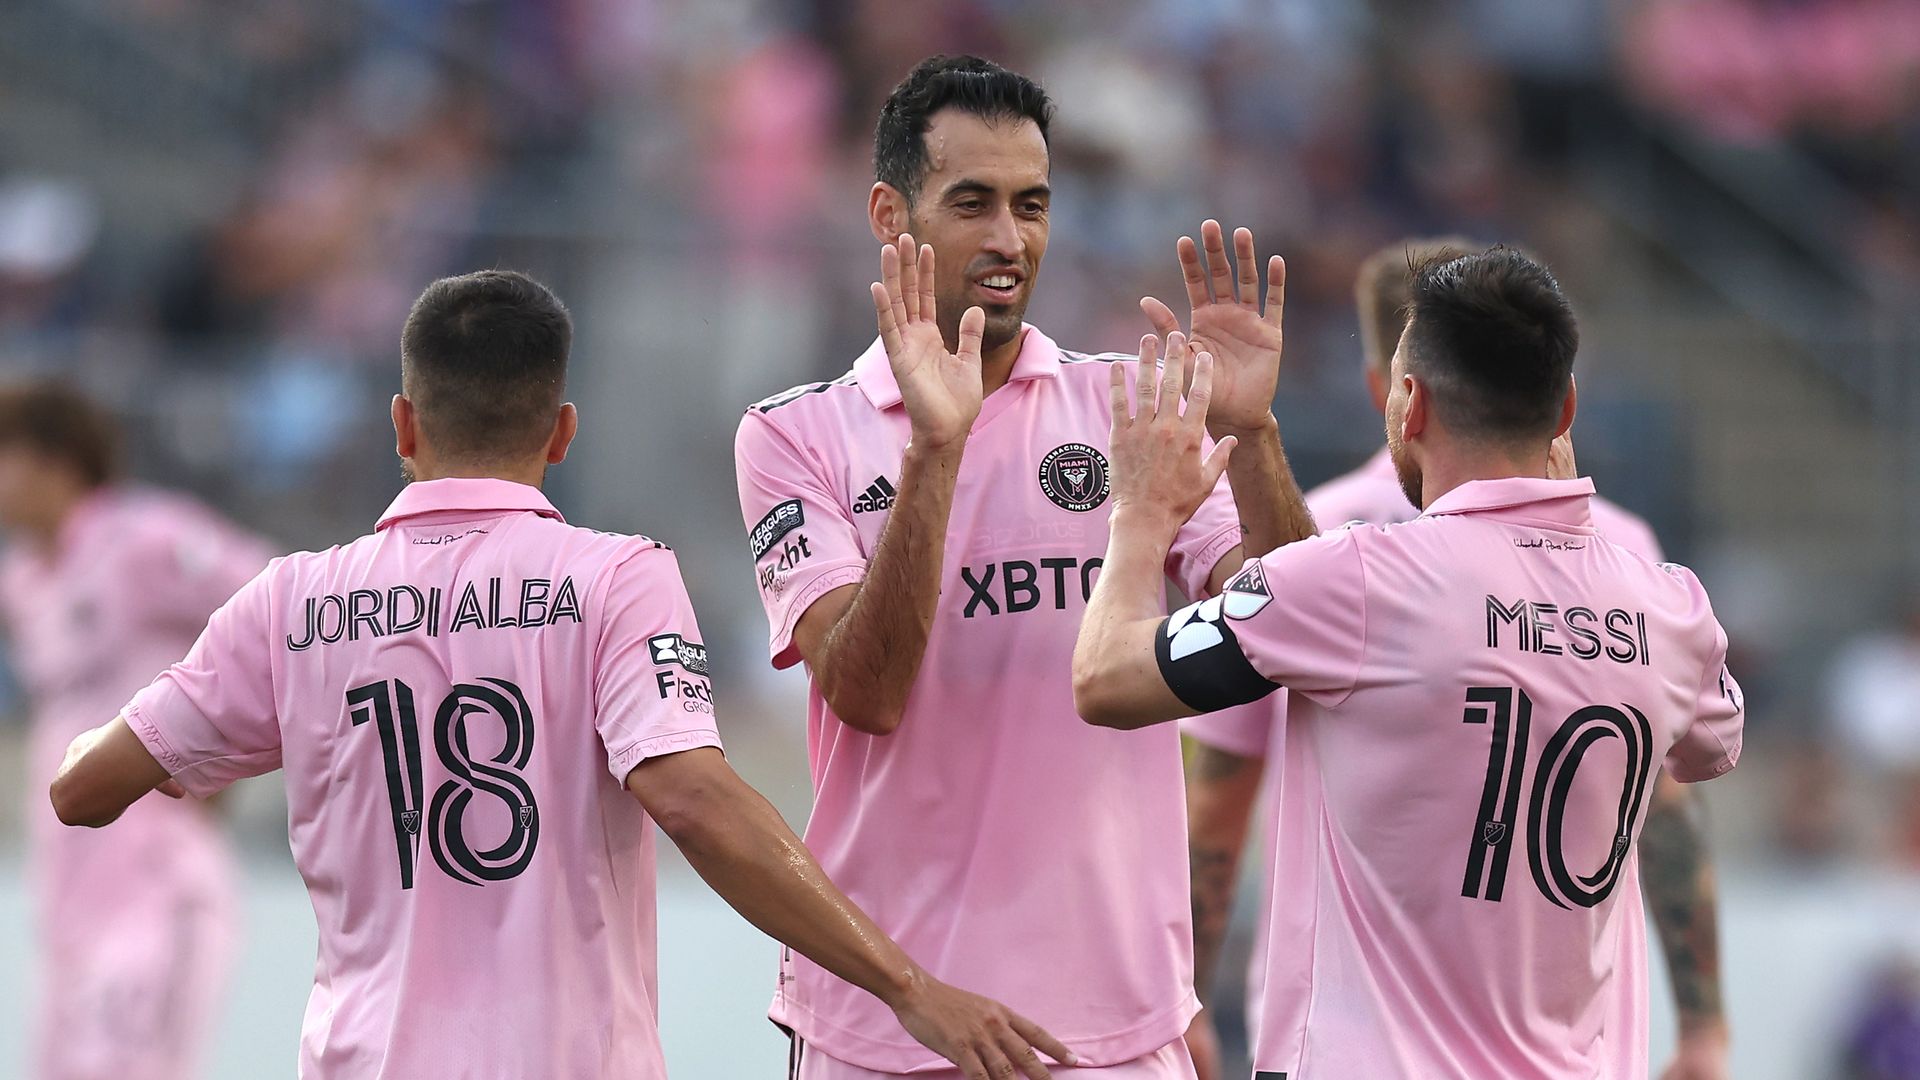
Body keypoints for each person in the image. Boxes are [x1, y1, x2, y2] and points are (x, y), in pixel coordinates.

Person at [49, 270, 1074, 1080]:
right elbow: (692, 800)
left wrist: (163, 740)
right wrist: (907, 986)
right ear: (562, 432)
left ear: (403, 425)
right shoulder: (615, 580)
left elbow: (83, 788)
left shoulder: (291, 602)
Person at [732, 55, 1307, 1079]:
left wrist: (1254, 435)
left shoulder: (1128, 406)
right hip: (894, 1027)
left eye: (1031, 205)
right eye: (973, 203)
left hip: (1118, 1025)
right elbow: (865, 694)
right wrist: (936, 448)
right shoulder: (796, 434)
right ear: (889, 213)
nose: (1010, 238)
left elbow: (1293, 623)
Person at [1073, 249, 1744, 1079]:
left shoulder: (1362, 578)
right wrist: (1253, 435)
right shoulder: (1670, 605)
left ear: (1410, 404)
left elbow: (1106, 677)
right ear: (1565, 408)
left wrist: (1139, 515)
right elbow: (1709, 751)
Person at [0, 383, 271, 1080]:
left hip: (152, 890)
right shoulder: (24, 577)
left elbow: (281, 607)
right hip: (67, 898)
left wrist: (226, 761)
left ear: (54, 461)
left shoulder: (143, 540)